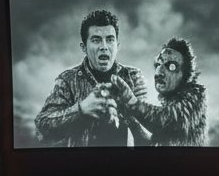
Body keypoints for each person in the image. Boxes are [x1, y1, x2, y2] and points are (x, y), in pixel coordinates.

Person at [34, 8, 148, 146]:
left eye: (110, 39)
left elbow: (149, 135)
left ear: (117, 46)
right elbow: (41, 128)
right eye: (96, 40)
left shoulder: (133, 77)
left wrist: (128, 109)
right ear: (84, 47)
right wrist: (81, 110)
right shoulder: (67, 80)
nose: (104, 47)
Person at [110, 37, 208, 146]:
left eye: (171, 66)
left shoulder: (196, 98)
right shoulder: (170, 105)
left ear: (185, 74)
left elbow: (168, 122)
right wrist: (131, 121)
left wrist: (131, 101)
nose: (159, 72)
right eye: (158, 64)